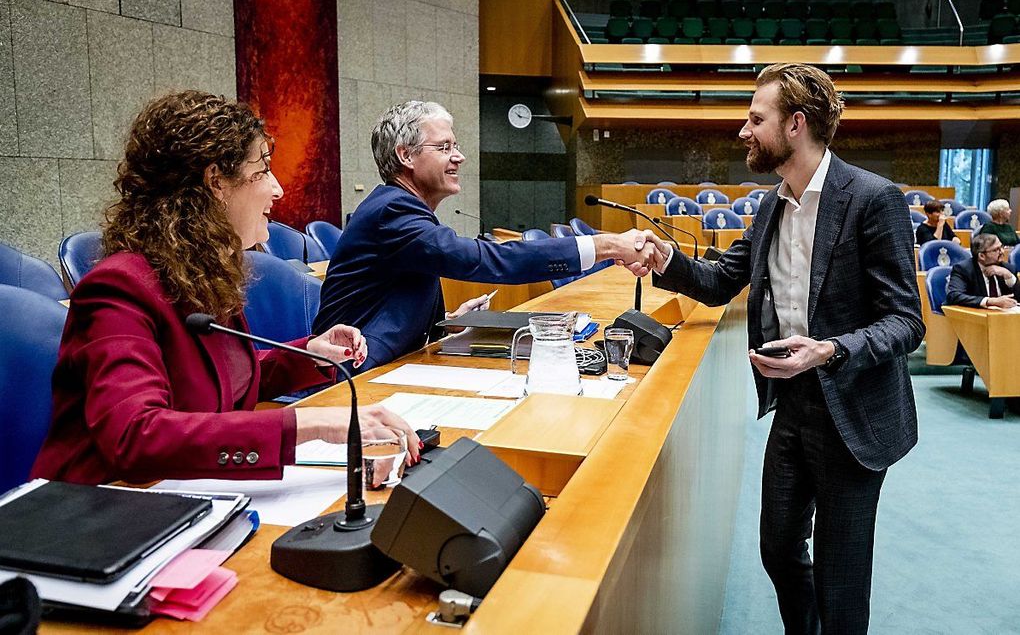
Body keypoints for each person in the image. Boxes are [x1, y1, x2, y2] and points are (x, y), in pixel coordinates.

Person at [636, 64, 924, 633]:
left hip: (855, 414)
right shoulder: (770, 205)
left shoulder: (872, 198)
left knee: (841, 581)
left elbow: (906, 322)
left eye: (755, 118)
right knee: (778, 550)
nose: (743, 130)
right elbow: (722, 280)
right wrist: (664, 260)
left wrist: (830, 350)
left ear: (795, 125)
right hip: (793, 408)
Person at [31, 91, 419, 485]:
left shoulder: (200, 273)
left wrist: (309, 355)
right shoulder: (118, 287)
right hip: (102, 513)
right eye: (262, 171)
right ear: (216, 182)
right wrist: (308, 422)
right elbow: (135, 436)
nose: (278, 189)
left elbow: (217, 381)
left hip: (182, 496)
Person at [313, 100, 659, 372]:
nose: (459, 157)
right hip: (349, 380)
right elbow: (489, 260)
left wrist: (445, 323)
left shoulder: (399, 208)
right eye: (444, 147)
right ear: (406, 155)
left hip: (383, 367)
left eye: (456, 145)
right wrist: (606, 245)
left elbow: (387, 304)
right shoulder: (393, 211)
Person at [945, 233, 1019, 309]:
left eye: (1001, 247)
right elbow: (954, 296)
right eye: (996, 250)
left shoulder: (1007, 268)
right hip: (975, 316)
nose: (1002, 252)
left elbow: (1018, 299)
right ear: (981, 256)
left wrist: (1009, 277)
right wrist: (990, 301)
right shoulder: (964, 269)